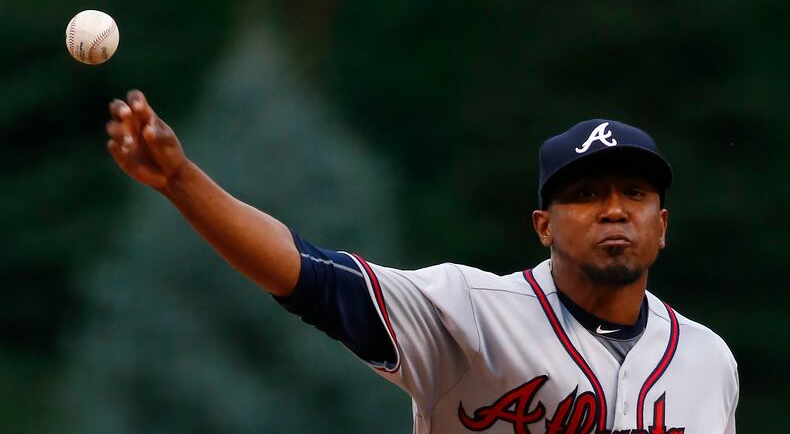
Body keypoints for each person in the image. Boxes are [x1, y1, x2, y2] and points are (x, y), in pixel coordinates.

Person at [106, 90, 738, 433]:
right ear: (543, 227)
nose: (613, 210)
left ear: (662, 226)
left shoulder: (710, 362)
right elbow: (310, 275)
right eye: (585, 194)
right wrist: (183, 183)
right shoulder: (468, 312)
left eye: (635, 193)